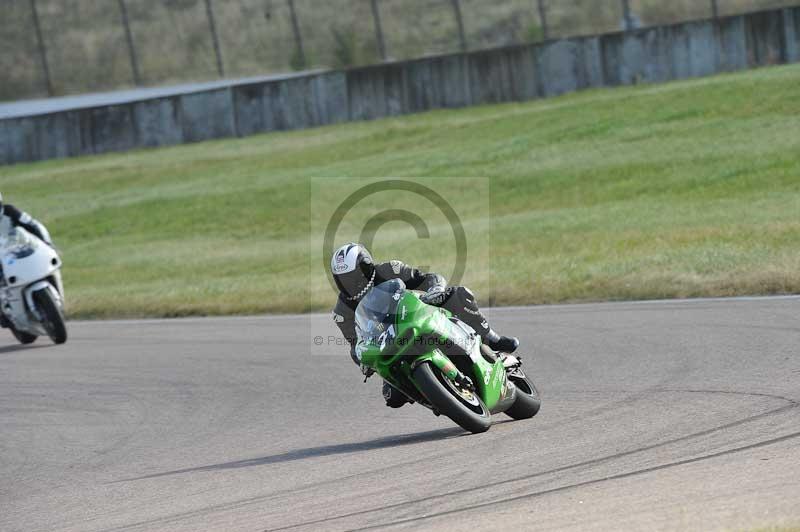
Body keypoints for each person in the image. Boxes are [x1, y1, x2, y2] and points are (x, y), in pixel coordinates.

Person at [330, 242, 519, 408]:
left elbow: (429, 278)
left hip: (416, 313)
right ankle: (436, 397)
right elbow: (356, 344)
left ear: (367, 266)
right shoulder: (342, 312)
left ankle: (492, 338)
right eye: (343, 279)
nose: (351, 283)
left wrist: (435, 290)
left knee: (457, 295)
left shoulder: (389, 270)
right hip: (389, 343)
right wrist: (363, 361)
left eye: (355, 275)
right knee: (393, 397)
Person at [0, 192, 54, 327]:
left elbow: (33, 225)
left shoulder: (9, 211)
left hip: (16, 250)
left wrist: (47, 244)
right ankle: (3, 315)